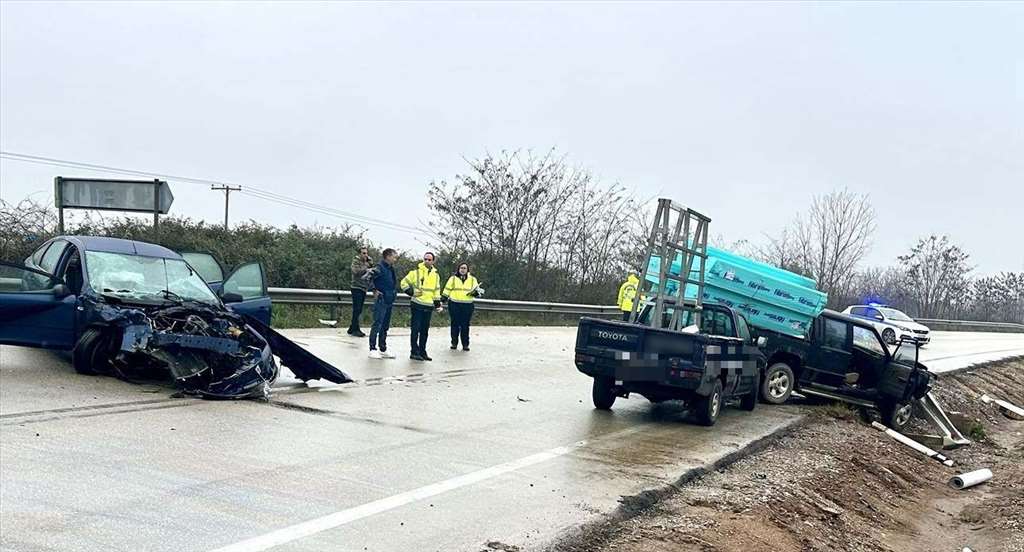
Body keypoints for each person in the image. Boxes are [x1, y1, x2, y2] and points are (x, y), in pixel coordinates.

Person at [400, 251, 442, 361]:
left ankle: (423, 351)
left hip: (428, 306)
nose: (427, 261)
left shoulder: (436, 276)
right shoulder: (416, 272)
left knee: (424, 331)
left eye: (429, 259)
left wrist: (437, 304)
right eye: (425, 259)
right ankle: (414, 352)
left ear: (433, 261)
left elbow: (436, 291)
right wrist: (411, 292)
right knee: (415, 329)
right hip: (417, 304)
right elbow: (403, 283)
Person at [442, 262, 484, 351]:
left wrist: (476, 293)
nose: (463, 270)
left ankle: (465, 344)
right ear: (458, 269)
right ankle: (454, 343)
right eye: (461, 268)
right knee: (455, 324)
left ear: (467, 270)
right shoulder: (453, 279)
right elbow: (447, 290)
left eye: (464, 268)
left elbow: (477, 291)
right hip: (454, 304)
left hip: (467, 305)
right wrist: (443, 299)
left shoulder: (472, 279)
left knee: (465, 325)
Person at [367, 248, 399, 359]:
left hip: (389, 299)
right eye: (394, 257)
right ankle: (372, 348)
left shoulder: (391, 268)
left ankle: (383, 348)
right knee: (377, 323)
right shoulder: (379, 267)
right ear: (388, 256)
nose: (395, 259)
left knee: (385, 325)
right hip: (381, 299)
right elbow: (368, 278)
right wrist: (374, 290)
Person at [348, 246, 372, 337]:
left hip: (363, 287)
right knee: (357, 309)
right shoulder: (356, 261)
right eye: (363, 253)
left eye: (366, 253)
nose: (366, 255)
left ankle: (352, 327)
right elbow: (355, 271)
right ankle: (355, 329)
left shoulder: (368, 261)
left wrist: (369, 263)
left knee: (359, 309)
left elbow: (372, 267)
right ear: (359, 254)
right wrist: (366, 267)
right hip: (356, 287)